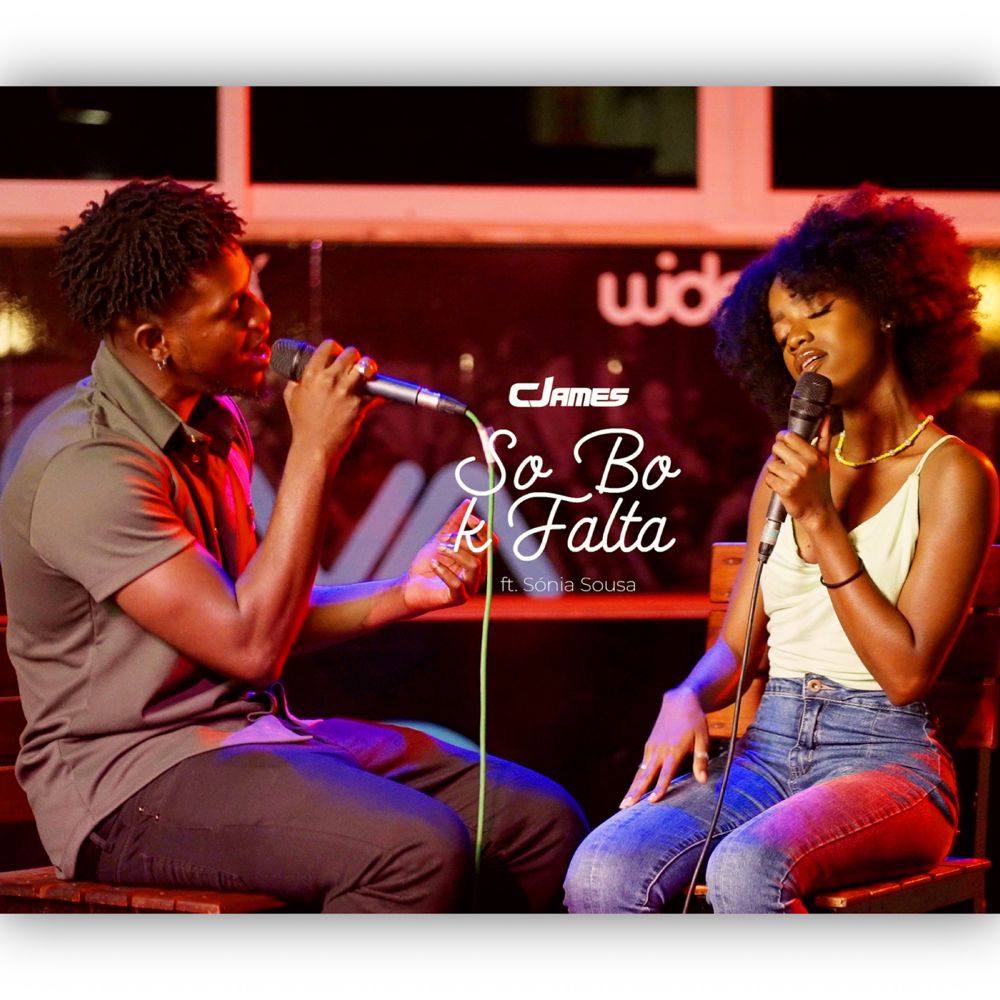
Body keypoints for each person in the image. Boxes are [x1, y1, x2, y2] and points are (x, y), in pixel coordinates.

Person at [0, 177, 586, 913]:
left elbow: (254, 613)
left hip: (252, 740)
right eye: (233, 310)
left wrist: (406, 594)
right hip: (128, 787)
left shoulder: (213, 425)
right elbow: (249, 645)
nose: (263, 319)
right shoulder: (89, 468)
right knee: (415, 852)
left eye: (254, 292)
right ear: (155, 342)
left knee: (539, 824)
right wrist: (314, 449)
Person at [563, 185, 998, 913]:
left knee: (747, 869)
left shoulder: (954, 473)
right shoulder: (787, 474)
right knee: (602, 870)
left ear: (888, 307)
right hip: (766, 751)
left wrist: (820, 521)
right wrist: (685, 695)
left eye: (816, 309)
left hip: (888, 762)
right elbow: (738, 647)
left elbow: (905, 675)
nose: (796, 337)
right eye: (780, 326)